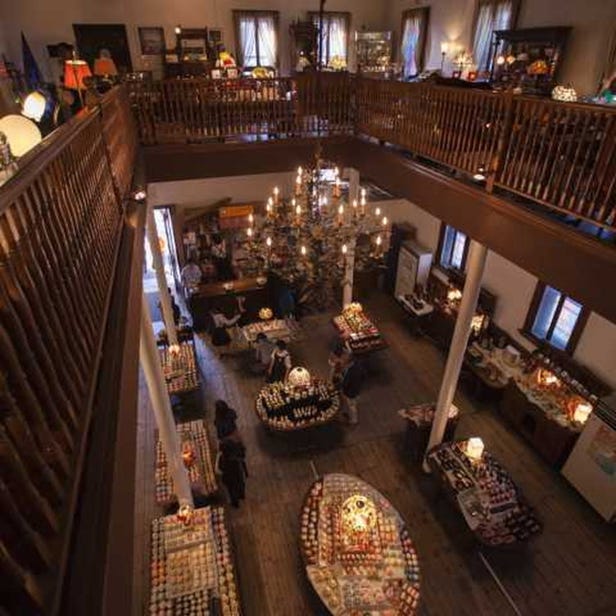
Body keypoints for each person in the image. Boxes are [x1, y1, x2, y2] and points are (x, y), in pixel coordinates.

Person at [215, 436, 248, 508]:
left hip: (229, 477)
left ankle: (235, 503)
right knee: (240, 484)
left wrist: (218, 455)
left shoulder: (223, 459)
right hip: (238, 473)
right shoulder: (236, 452)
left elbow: (218, 470)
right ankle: (242, 495)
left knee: (232, 490)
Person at [341, 355, 364, 424]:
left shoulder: (351, 371)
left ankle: (353, 420)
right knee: (352, 404)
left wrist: (342, 386)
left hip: (351, 391)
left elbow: (347, 382)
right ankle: (350, 415)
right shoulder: (357, 366)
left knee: (352, 406)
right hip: (356, 389)